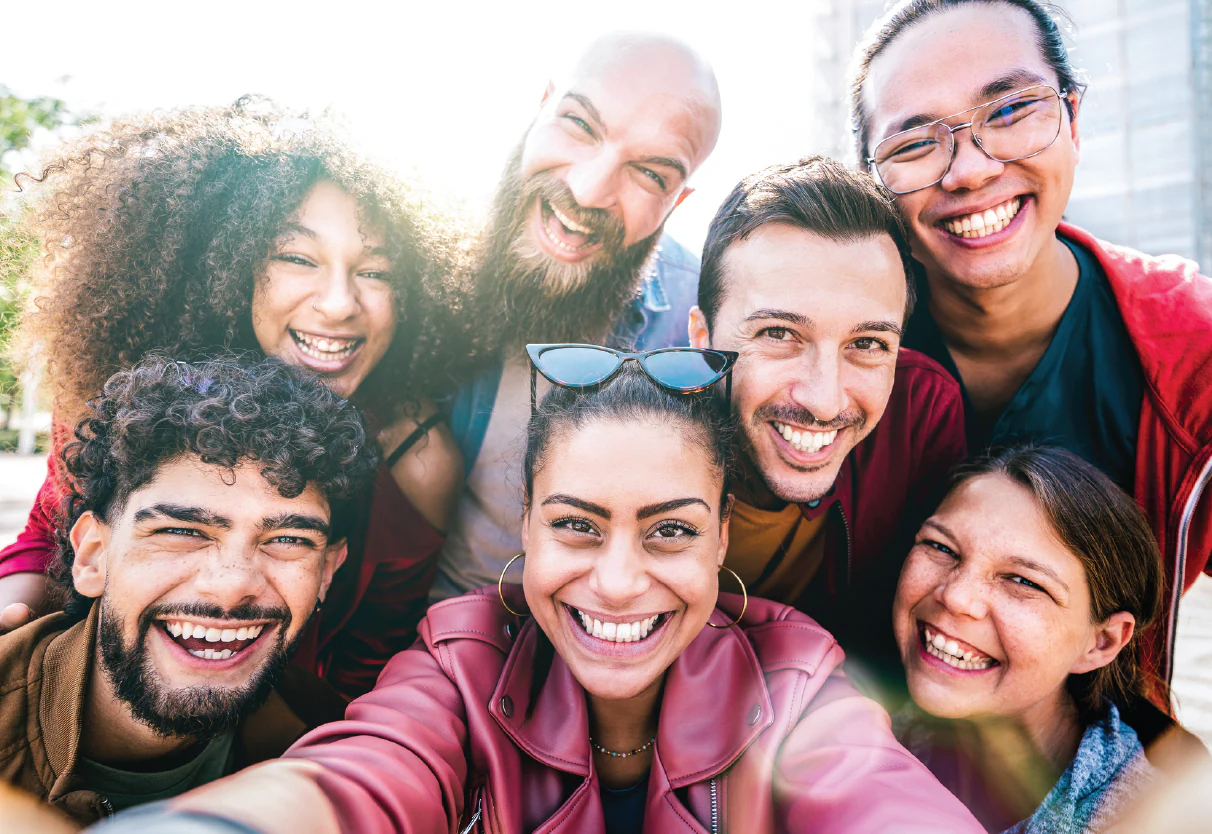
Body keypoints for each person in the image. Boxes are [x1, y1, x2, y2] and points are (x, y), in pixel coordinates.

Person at [89, 362, 986, 834]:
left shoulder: (794, 674)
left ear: (721, 538)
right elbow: (360, 779)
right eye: (577, 525)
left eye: (671, 531)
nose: (620, 579)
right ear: (525, 527)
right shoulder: (460, 661)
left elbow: (877, 798)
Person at [850, 0, 1212, 725]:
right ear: (874, 184)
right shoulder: (826, 358)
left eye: (1010, 110)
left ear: (1073, 117)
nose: (969, 170)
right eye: (914, 144)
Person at [0, 99, 466, 696]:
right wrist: (14, 618)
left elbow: (368, 667)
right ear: (225, 265)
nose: (340, 303)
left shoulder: (416, 460)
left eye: (377, 271)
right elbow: (48, 534)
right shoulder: (125, 394)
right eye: (297, 258)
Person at [0, 355, 376, 824]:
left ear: (325, 573)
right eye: (182, 531)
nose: (232, 586)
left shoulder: (336, 746)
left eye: (287, 540)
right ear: (92, 555)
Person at [435, 30, 722, 601]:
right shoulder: (414, 265)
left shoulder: (704, 333)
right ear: (542, 107)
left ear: (677, 203)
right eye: (580, 125)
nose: (589, 190)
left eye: (650, 174)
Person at [688, 156, 965, 686]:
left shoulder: (919, 411)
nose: (823, 399)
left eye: (867, 344)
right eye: (777, 334)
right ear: (701, 339)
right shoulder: (635, 442)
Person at [892, 445, 1172, 831]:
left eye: (1022, 581)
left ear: (1102, 642)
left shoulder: (1147, 820)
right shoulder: (856, 728)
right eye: (941, 547)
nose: (955, 597)